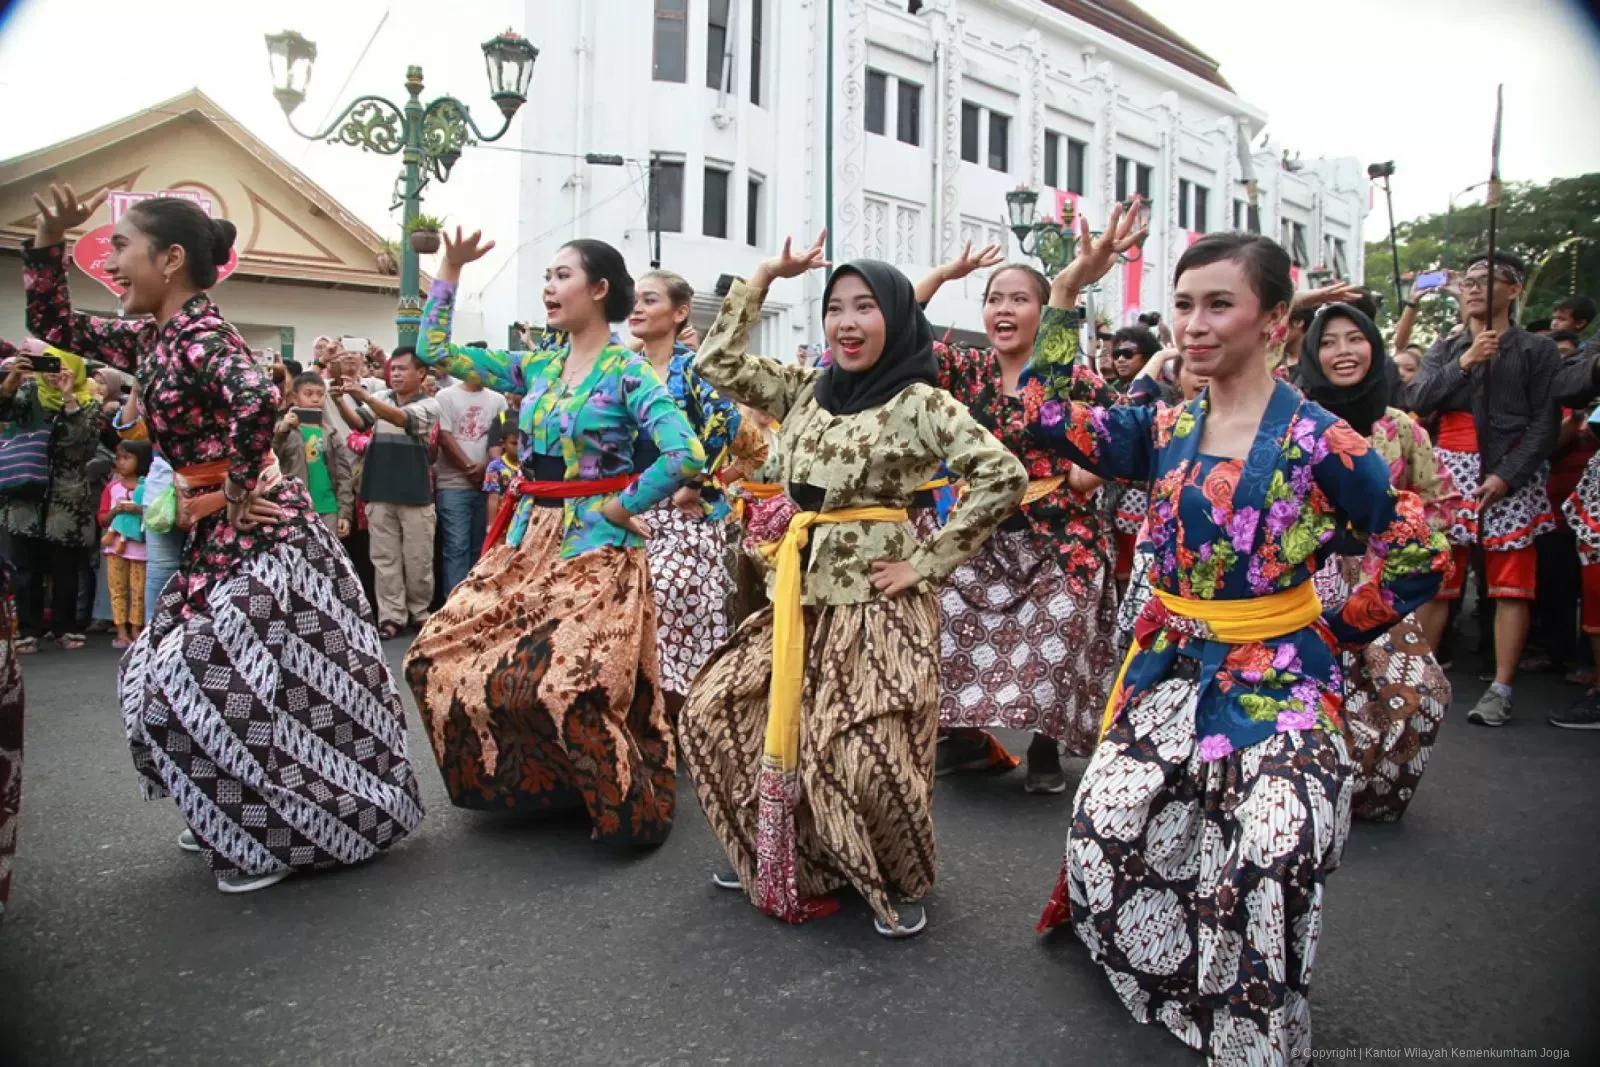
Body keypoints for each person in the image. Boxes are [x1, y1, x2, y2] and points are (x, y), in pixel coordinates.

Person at [1025, 217, 1447, 1061]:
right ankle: (1172, 970)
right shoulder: (1164, 426)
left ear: (1275, 322)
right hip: (1172, 665)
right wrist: (1068, 292)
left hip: (1281, 676)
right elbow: (1046, 418)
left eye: (1220, 304)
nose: (1194, 324)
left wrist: (1331, 626)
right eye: (1183, 305)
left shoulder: (1324, 440)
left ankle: (1252, 1016)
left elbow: (1419, 550)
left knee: (1279, 841)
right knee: (1103, 826)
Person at [22, 183, 421, 892]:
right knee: (180, 682)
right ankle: (233, 805)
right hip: (221, 537)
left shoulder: (202, 337)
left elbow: (256, 398)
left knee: (217, 685)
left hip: (268, 540)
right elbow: (54, 323)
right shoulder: (155, 337)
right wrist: (49, 248)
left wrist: (236, 491)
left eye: (121, 247)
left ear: (171, 258)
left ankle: (280, 828)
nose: (110, 262)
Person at [680, 232, 1027, 939]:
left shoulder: (921, 402)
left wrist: (927, 563)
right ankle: (779, 851)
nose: (846, 321)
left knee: (858, 753)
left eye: (864, 306)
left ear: (895, 318)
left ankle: (892, 872)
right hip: (796, 597)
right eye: (835, 307)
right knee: (714, 712)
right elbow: (713, 363)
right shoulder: (806, 388)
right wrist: (765, 276)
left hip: (878, 603)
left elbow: (1003, 475)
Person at [404, 227, 703, 844]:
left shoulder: (628, 372)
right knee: (435, 654)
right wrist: (450, 270)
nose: (548, 286)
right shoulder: (537, 363)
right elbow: (432, 350)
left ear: (598, 289)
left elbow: (685, 453)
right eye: (546, 275)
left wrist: (621, 508)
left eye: (562, 275)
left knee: (567, 679)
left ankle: (622, 802)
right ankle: (542, 786)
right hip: (525, 534)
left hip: (594, 545)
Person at [912, 244, 1117, 792]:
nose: (1003, 309)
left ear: (1045, 311)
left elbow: (1124, 432)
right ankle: (968, 741)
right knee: (944, 624)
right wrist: (944, 269)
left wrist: (1088, 473)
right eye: (993, 299)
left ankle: (1046, 746)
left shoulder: (1072, 377)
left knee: (1057, 636)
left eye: (1018, 299)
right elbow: (901, 329)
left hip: (1059, 539)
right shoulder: (967, 370)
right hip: (981, 538)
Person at [1299, 303, 1456, 821]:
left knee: (1423, 693)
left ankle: (1372, 795)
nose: (1342, 352)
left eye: (1354, 339)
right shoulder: (1291, 416)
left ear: (1375, 345)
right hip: (1303, 581)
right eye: (1328, 341)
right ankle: (1312, 791)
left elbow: (1434, 501)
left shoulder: (1402, 428)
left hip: (1378, 582)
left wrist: (1407, 549)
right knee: (1313, 692)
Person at [1406, 252, 1563, 726]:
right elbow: (1417, 398)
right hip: (1449, 470)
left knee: (1510, 585)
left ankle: (1500, 687)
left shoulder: (1538, 351)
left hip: (1507, 472)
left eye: (1486, 280)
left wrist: (1508, 474)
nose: (1473, 288)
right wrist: (1467, 361)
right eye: (1468, 281)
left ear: (1513, 290)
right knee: (1437, 582)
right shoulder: (1447, 345)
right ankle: (1419, 683)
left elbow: (1545, 422)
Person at [625, 269, 747, 713]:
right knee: (633, 609)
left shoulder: (693, 367)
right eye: (635, 299)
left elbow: (726, 422)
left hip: (686, 512)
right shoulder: (625, 368)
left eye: (650, 300)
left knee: (677, 606)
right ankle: (644, 712)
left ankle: (684, 717)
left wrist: (695, 483)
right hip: (632, 507)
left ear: (679, 313)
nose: (637, 307)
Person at [0, 342, 100, 652]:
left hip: (66, 496)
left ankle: (64, 628)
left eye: (58, 365)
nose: (51, 374)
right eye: (47, 365)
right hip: (25, 492)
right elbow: (3, 414)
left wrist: (69, 399)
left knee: (65, 568)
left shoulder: (88, 403)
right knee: (25, 566)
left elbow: (82, 444)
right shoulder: (29, 397)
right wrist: (12, 382)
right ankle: (28, 630)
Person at [345, 346, 440, 639]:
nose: (395, 374)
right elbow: (358, 422)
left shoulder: (430, 405)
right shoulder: (383, 398)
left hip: (414, 493)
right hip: (379, 489)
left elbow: (402, 419)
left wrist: (366, 397)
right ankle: (391, 617)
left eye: (403, 369)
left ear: (421, 373)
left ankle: (419, 613)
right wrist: (339, 400)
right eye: (393, 369)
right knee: (384, 560)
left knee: (418, 560)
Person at [433, 366, 507, 595]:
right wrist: (469, 469)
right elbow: (444, 437)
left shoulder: (498, 399)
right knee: (456, 547)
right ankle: (453, 605)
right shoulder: (445, 396)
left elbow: (502, 440)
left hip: (489, 486)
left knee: (482, 546)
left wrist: (486, 468)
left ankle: (476, 602)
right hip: (453, 484)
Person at [272, 372, 354, 540]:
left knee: (329, 557)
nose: (315, 399)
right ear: (295, 397)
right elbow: (270, 456)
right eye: (308, 394)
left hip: (328, 506)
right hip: (293, 506)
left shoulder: (331, 433)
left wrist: (345, 512)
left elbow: (344, 475)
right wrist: (282, 431)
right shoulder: (285, 429)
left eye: (320, 394)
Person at [96, 438, 152, 648]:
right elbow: (102, 518)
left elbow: (155, 514)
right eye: (118, 457)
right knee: (117, 589)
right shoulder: (112, 488)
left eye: (127, 458)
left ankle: (136, 627)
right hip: (115, 549)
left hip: (139, 548)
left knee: (138, 590)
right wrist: (115, 511)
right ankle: (121, 630)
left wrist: (140, 510)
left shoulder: (147, 487)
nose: (121, 462)